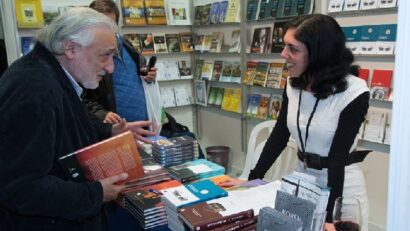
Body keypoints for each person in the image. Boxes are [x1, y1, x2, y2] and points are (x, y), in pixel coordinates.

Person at [0, 8, 156, 231]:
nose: (111, 68)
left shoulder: (50, 74)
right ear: (71, 48)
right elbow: (19, 186)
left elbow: (63, 126)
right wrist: (96, 193)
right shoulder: (35, 89)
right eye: (105, 55)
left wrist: (109, 132)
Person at [221, 14, 370, 231]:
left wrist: (329, 219)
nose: (284, 54)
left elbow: (337, 158)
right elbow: (280, 135)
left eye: (293, 49)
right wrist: (252, 180)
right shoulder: (293, 83)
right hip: (302, 182)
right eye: (285, 46)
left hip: (341, 193)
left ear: (319, 54)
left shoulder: (355, 92)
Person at [85, 0, 158, 124]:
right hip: (115, 132)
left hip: (145, 126)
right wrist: (102, 114)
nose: (106, 30)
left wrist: (148, 76)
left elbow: (141, 73)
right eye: (101, 25)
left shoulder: (127, 45)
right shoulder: (85, 55)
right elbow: (79, 98)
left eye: (110, 25)